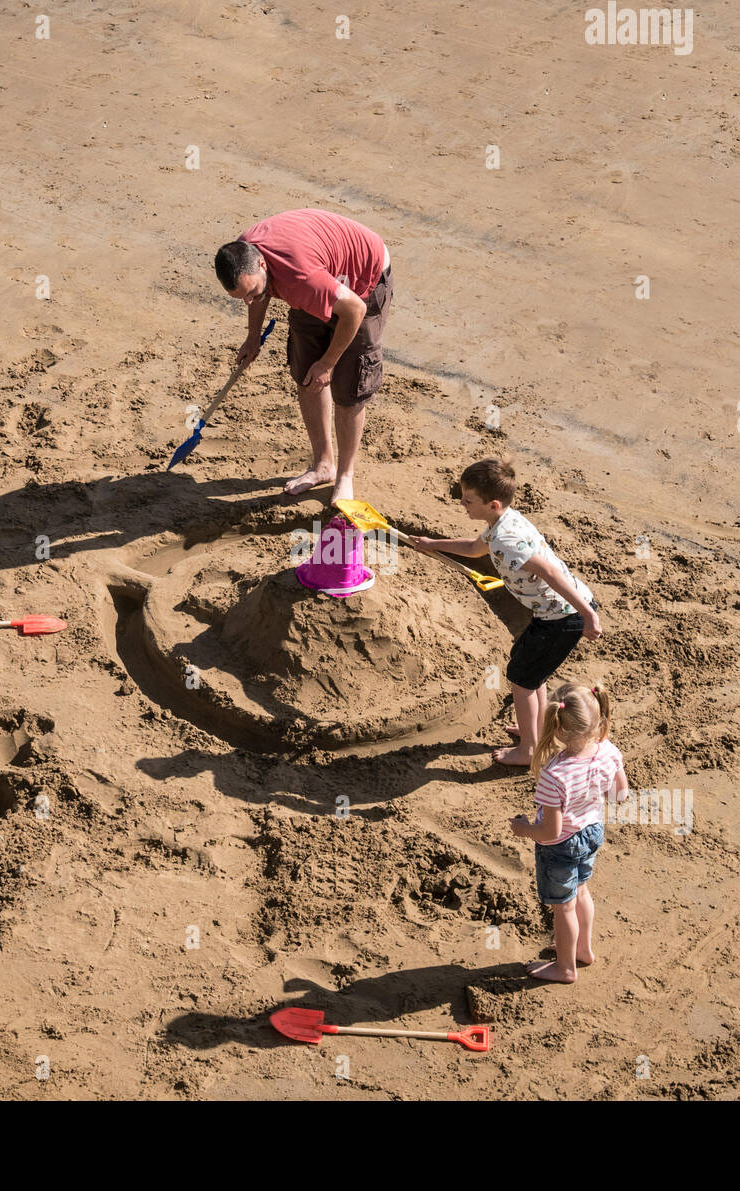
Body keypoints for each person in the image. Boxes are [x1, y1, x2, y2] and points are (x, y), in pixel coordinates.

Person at [409, 458, 601, 765]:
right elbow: (474, 548)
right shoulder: (503, 522)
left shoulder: (506, 542)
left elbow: (551, 574)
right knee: (531, 675)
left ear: (493, 503)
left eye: (468, 500)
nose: (462, 503)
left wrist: (588, 615)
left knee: (521, 681)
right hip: (552, 614)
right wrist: (434, 544)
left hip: (563, 617)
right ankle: (534, 731)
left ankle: (528, 750)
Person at [214, 208, 392, 503]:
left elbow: (354, 311)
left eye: (251, 293)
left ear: (261, 263)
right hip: (319, 274)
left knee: (349, 387)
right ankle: (324, 465)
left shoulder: (301, 278)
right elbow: (260, 293)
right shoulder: (245, 254)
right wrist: (253, 335)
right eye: (241, 297)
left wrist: (328, 363)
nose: (248, 301)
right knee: (307, 374)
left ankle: (345, 475)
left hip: (363, 282)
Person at [508, 682, 628, 983]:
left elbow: (551, 830)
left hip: (561, 846)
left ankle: (565, 968)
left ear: (557, 729)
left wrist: (524, 830)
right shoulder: (609, 751)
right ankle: (582, 951)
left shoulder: (554, 775)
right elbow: (620, 795)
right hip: (593, 832)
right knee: (582, 891)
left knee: (564, 908)